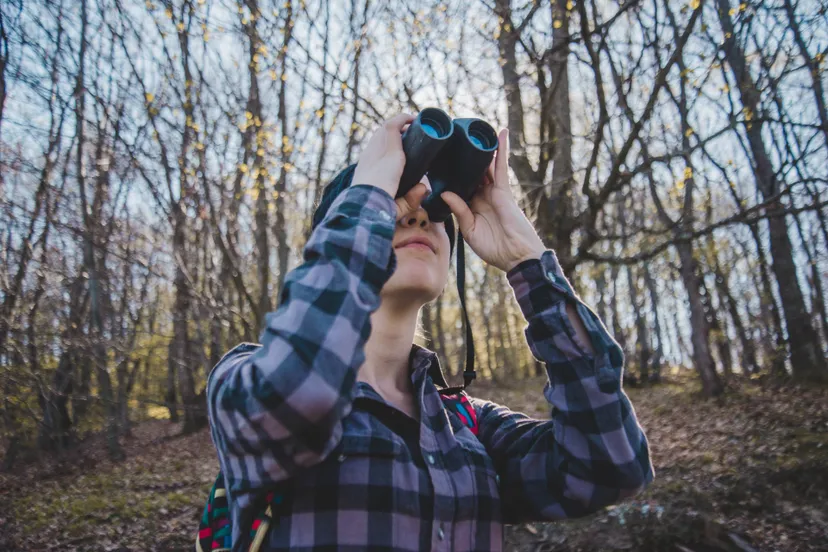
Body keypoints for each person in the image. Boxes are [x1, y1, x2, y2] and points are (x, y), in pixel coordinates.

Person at [206, 113, 653, 551]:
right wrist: (370, 193)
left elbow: (610, 465)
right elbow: (297, 395)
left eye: (433, 212)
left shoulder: (469, 426)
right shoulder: (245, 376)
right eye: (395, 204)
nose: (417, 218)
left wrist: (529, 262)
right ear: (345, 232)